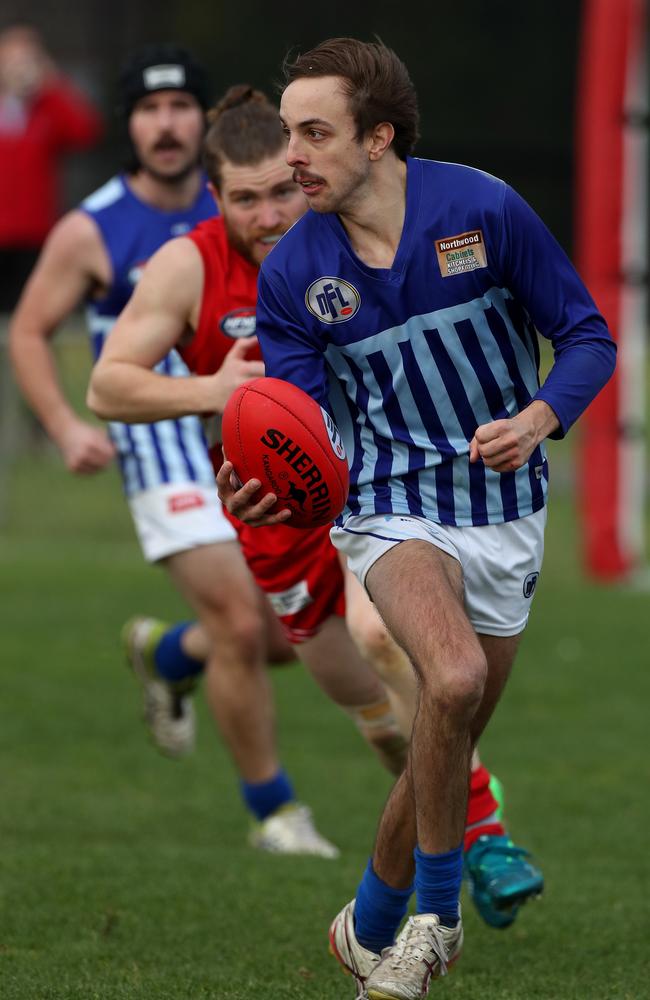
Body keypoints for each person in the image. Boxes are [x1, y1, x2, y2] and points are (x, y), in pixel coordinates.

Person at [89, 79, 547, 933]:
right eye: (245, 199)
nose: (269, 216)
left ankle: (479, 847)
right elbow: (107, 384)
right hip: (275, 513)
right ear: (214, 195)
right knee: (377, 719)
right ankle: (458, 824)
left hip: (377, 492)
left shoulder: (338, 241)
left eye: (280, 191)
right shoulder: (189, 265)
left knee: (390, 642)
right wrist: (210, 391)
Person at [215, 37, 617, 999]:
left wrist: (538, 416)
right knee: (456, 676)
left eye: (315, 134)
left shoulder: (481, 208)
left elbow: (586, 337)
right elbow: (301, 426)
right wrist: (261, 477)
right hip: (388, 505)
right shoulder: (292, 274)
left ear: (380, 137)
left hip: (506, 509)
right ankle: (436, 921)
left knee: (450, 730)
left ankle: (370, 919)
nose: (293, 156)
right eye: (288, 133)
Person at [8, 45, 343, 858]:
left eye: (180, 108)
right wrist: (62, 423)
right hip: (160, 444)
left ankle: (166, 654)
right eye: (149, 110)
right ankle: (275, 811)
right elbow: (27, 328)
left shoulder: (260, 206)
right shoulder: (94, 227)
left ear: (209, 123)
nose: (166, 125)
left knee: (284, 633)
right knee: (236, 621)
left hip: (258, 442)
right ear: (128, 125)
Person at [0, 23, 102, 312]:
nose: (19, 69)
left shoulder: (47, 107)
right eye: (11, 61)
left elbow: (86, 131)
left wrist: (52, 83)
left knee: (30, 315)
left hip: (35, 235)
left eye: (26, 61)